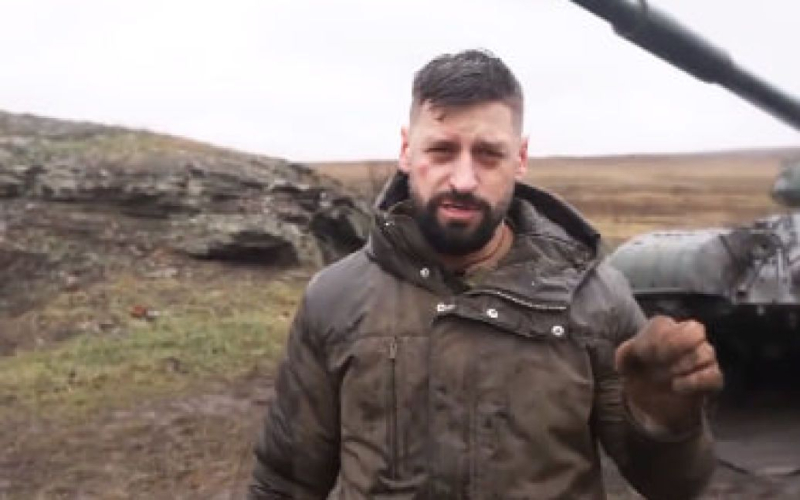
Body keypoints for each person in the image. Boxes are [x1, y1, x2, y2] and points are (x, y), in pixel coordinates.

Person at [249, 49, 722, 499]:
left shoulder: (595, 298)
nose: (463, 180)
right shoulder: (335, 298)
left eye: (488, 154)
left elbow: (675, 487)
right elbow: (285, 481)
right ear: (406, 151)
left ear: (520, 158)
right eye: (441, 150)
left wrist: (666, 425)